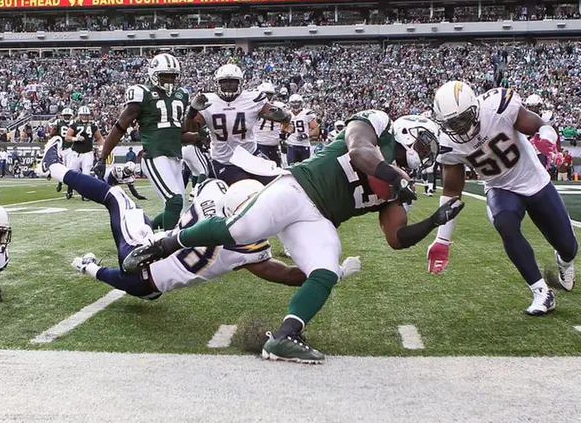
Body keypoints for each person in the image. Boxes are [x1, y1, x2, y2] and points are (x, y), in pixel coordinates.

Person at [122, 110, 462, 364]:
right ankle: (163, 244)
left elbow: (396, 237)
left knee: (326, 270)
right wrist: (394, 176)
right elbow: (360, 150)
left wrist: (433, 221)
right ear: (407, 132)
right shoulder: (378, 127)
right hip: (297, 188)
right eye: (423, 145)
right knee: (239, 230)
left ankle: (285, 336)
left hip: (318, 220)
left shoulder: (398, 185)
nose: (423, 155)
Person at [39, 137, 360, 300]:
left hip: (140, 255)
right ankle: (88, 266)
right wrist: (331, 272)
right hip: (146, 286)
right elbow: (290, 276)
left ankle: (54, 168)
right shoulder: (248, 251)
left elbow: (209, 179)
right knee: (134, 268)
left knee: (115, 197)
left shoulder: (213, 192)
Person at [429, 82, 577, 315]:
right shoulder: (447, 143)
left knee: (568, 247)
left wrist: (547, 139)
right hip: (500, 187)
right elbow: (452, 191)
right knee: (505, 223)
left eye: (462, 119)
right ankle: (541, 292)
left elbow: (540, 126)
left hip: (535, 180)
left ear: (474, 108)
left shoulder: (497, 106)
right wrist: (442, 239)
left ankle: (564, 260)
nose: (458, 128)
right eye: (451, 123)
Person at [99, 54, 190, 230]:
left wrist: (198, 126)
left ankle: (146, 231)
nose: (169, 79)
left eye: (173, 75)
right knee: (174, 201)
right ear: (154, 73)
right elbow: (120, 126)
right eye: (165, 75)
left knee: (178, 211)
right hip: (155, 155)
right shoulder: (143, 93)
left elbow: (180, 131)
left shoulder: (181, 95)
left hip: (175, 155)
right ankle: (166, 244)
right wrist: (103, 157)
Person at [186, 64, 289, 185]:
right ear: (217, 83)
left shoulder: (252, 98)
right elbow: (189, 129)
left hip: (251, 155)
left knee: (276, 182)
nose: (229, 85)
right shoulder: (208, 101)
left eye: (233, 81)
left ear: (240, 83)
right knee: (246, 187)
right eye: (224, 82)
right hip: (225, 161)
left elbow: (283, 118)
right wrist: (191, 112)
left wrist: (281, 115)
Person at [63, 106, 104, 199]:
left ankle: (85, 194)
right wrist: (75, 138)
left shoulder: (93, 125)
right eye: (83, 115)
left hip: (88, 153)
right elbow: (67, 137)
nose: (84, 117)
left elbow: (99, 138)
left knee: (86, 174)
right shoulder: (74, 124)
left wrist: (101, 148)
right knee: (72, 173)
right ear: (79, 115)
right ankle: (70, 190)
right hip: (76, 153)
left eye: (86, 115)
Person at [285, 94, 319, 164]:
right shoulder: (287, 114)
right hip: (291, 145)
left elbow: (316, 129)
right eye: (293, 103)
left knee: (304, 167)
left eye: (297, 102)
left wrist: (306, 135)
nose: (295, 105)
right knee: (291, 167)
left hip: (304, 145)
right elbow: (283, 128)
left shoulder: (307, 114)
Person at [51, 107, 74, 193]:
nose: (67, 117)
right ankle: (60, 181)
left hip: (70, 149)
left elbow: (52, 134)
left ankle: (69, 187)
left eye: (68, 116)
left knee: (70, 169)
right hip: (61, 148)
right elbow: (53, 133)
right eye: (66, 115)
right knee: (61, 167)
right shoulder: (60, 123)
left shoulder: (73, 123)